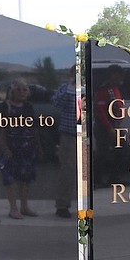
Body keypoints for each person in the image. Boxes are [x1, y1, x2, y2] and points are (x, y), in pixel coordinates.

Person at [0, 78, 42, 219]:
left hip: (28, 147)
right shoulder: (5, 106)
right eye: (19, 89)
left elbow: (34, 128)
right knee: (11, 180)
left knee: (26, 178)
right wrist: (5, 148)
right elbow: (1, 130)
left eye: (25, 89)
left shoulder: (28, 107)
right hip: (11, 147)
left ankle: (24, 206)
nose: (22, 92)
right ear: (12, 91)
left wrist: (38, 146)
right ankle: (13, 209)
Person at [51, 65, 78, 218]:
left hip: (85, 135)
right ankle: (62, 205)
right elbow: (56, 103)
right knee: (67, 171)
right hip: (69, 135)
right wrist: (70, 89)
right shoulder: (65, 88)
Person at [93, 64, 126, 186]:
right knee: (102, 154)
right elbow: (100, 111)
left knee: (121, 151)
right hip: (104, 127)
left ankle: (114, 177)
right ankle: (97, 180)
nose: (121, 78)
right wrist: (109, 127)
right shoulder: (104, 89)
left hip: (115, 125)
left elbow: (119, 106)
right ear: (113, 75)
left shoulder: (116, 89)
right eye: (119, 75)